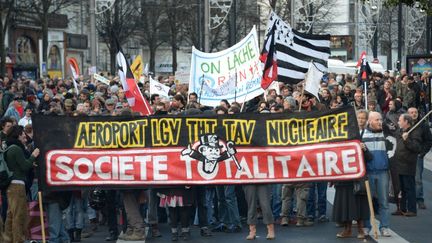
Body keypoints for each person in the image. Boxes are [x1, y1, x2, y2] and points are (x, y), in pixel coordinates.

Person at [332, 109, 370, 239]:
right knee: (345, 205)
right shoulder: (338, 139)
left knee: (358, 204)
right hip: (343, 177)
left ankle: (360, 229)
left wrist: (364, 149)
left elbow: (370, 157)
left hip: (357, 177)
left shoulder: (359, 137)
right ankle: (347, 229)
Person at [3, 125, 40, 243]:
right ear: (18, 135)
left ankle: (8, 239)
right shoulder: (16, 149)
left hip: (11, 185)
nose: (25, 135)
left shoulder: (10, 148)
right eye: (23, 133)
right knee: (19, 216)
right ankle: (18, 240)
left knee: (11, 215)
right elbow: (25, 166)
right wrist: (33, 156)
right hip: (17, 185)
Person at [362, 112, 391, 237]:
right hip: (368, 172)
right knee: (368, 202)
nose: (380, 121)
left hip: (383, 171)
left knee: (383, 202)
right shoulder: (362, 134)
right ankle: (367, 227)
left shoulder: (386, 132)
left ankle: (384, 227)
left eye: (381, 119)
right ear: (369, 121)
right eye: (377, 119)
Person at [394, 114, 422, 216]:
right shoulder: (399, 131)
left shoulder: (415, 132)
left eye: (400, 120)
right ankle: (402, 209)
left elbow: (416, 148)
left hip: (407, 164)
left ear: (406, 122)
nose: (398, 122)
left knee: (409, 188)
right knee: (401, 188)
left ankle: (412, 210)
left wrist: (407, 140)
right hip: (399, 163)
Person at [407, 107, 432, 209]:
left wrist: (422, 153)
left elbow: (429, 141)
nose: (414, 114)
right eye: (412, 112)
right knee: (407, 179)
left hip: (417, 156)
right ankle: (409, 199)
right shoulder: (404, 124)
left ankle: (419, 199)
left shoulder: (423, 125)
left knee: (417, 179)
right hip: (406, 155)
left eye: (415, 112)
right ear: (408, 114)